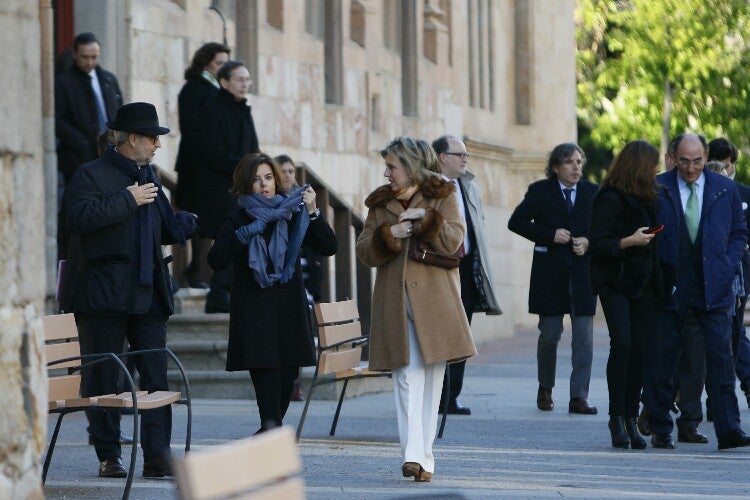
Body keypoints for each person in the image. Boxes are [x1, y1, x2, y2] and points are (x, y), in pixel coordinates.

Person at [61, 102, 198, 478]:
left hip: (148, 292)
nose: (157, 144)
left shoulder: (149, 175)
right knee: (105, 377)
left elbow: (165, 228)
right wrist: (128, 199)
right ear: (133, 138)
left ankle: (157, 455)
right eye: (153, 137)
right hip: (103, 295)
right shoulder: (91, 174)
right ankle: (109, 454)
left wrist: (186, 222)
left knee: (155, 377)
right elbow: (78, 218)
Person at [356, 136, 476, 482]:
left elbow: (455, 239)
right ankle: (411, 455)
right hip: (395, 300)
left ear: (410, 166)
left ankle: (426, 457)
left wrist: (426, 219)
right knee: (406, 375)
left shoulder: (443, 194)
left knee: (432, 377)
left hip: (435, 300)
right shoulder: (380, 202)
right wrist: (389, 233)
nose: (387, 172)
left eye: (392, 166)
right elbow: (364, 249)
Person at [207, 153, 336, 432]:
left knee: (288, 378)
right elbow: (216, 259)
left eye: (268, 178)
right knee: (267, 391)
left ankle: (268, 436)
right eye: (255, 180)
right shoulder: (238, 217)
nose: (263, 185)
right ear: (245, 184)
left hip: (289, 308)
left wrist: (313, 211)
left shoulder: (292, 213)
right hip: (255, 312)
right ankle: (270, 439)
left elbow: (329, 245)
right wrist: (244, 234)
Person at [642, 133, 750, 450]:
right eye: (685, 161)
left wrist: (727, 263)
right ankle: (662, 427)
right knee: (664, 360)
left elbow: (739, 230)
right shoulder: (658, 188)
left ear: (705, 157)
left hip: (713, 287)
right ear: (674, 158)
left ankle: (729, 429)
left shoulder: (724, 189)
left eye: (698, 160)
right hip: (671, 285)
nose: (692, 168)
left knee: (721, 360)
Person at [508, 143, 599, 414]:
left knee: (584, 339)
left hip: (582, 276)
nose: (576, 168)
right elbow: (517, 222)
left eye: (579, 162)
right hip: (550, 276)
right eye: (570, 162)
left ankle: (579, 396)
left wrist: (588, 242)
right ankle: (545, 387)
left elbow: (606, 229)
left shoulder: (593, 193)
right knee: (549, 335)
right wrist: (549, 234)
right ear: (556, 167)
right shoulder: (540, 191)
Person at [589, 140, 661, 449]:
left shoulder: (649, 198)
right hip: (615, 281)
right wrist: (627, 242)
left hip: (643, 283)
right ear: (639, 165)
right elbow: (598, 243)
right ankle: (616, 417)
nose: (656, 171)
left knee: (640, 350)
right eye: (652, 165)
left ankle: (631, 417)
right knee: (623, 343)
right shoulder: (609, 197)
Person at [431, 135, 502, 415]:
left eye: (466, 155)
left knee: (462, 335)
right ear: (441, 157)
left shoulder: (467, 186)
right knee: (439, 335)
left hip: (468, 266)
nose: (464, 159)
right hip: (441, 268)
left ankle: (451, 397)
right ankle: (436, 395)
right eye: (459, 154)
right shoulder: (431, 189)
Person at [198, 60, 259, 312]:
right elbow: (212, 152)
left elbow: (253, 147)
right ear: (224, 82)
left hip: (242, 186)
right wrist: (245, 168)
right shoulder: (212, 109)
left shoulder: (243, 109)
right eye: (239, 79)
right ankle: (219, 293)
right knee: (227, 236)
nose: (245, 84)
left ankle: (227, 290)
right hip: (220, 186)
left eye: (247, 79)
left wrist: (258, 168)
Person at [175, 42, 230, 289]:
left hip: (215, 166)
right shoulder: (194, 89)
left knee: (214, 218)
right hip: (195, 166)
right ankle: (196, 270)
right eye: (218, 63)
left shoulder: (221, 89)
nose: (222, 68)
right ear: (206, 63)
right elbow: (191, 131)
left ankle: (207, 272)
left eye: (225, 64)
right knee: (198, 218)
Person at [708, 137, 750, 410]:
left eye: (727, 166)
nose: (724, 171)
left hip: (738, 276)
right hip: (707, 273)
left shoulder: (745, 193)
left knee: (733, 334)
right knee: (716, 336)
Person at [55, 32, 122, 185]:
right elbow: (58, 120)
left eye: (94, 57)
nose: (90, 62)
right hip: (77, 158)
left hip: (111, 154)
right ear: (75, 55)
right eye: (85, 57)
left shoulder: (109, 80)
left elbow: (120, 111)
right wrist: (82, 142)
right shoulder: (64, 83)